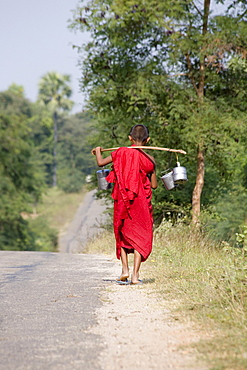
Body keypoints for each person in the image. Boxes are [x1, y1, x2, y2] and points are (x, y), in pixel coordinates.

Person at [91, 124, 157, 284]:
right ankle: (135, 276)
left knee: (122, 231)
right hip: (141, 201)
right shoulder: (150, 160)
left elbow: (101, 163)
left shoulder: (120, 152)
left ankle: (124, 270)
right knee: (140, 234)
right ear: (147, 140)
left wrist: (98, 151)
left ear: (130, 138)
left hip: (122, 199)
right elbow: (154, 185)